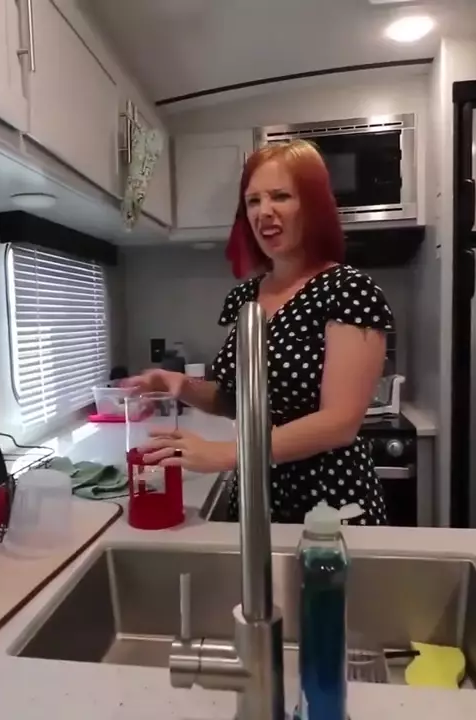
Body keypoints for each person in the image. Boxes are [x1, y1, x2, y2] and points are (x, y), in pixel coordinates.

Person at [125, 139, 394, 525]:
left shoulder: (348, 291)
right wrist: (178, 384)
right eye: (253, 201)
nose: (264, 211)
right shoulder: (246, 297)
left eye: (281, 196)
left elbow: (340, 422)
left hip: (330, 507)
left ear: (313, 205)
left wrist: (228, 452)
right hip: (257, 497)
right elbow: (239, 400)